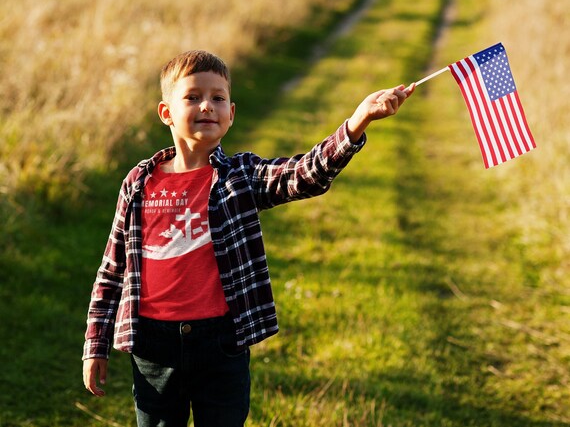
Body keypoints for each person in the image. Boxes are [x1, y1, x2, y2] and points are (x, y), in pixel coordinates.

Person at [82, 49, 414, 427]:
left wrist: (358, 122)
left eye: (218, 98)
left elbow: (305, 174)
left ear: (231, 113)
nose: (207, 105)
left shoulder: (240, 177)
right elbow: (112, 270)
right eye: (192, 97)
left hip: (222, 341)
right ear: (166, 113)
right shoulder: (139, 183)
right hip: (153, 347)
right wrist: (96, 345)